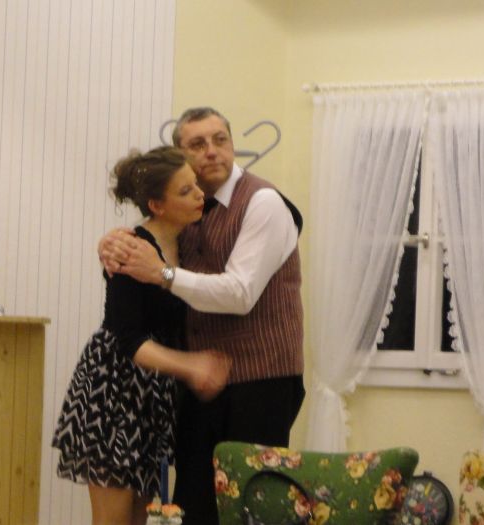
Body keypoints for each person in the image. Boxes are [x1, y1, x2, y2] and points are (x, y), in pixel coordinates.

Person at [98, 107, 306, 525]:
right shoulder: (183, 211)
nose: (211, 151)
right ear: (182, 155)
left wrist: (162, 274)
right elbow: (140, 270)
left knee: (252, 509)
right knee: (193, 507)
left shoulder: (262, 202)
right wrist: (113, 244)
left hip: (261, 382)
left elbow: (240, 293)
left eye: (220, 139)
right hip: (196, 388)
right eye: (197, 144)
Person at [52, 145, 232, 525]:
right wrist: (191, 366)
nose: (199, 195)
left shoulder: (187, 240)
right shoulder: (131, 248)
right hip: (114, 391)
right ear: (157, 205)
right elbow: (128, 339)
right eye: (185, 191)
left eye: (196, 185)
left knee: (140, 516)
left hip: (153, 396)